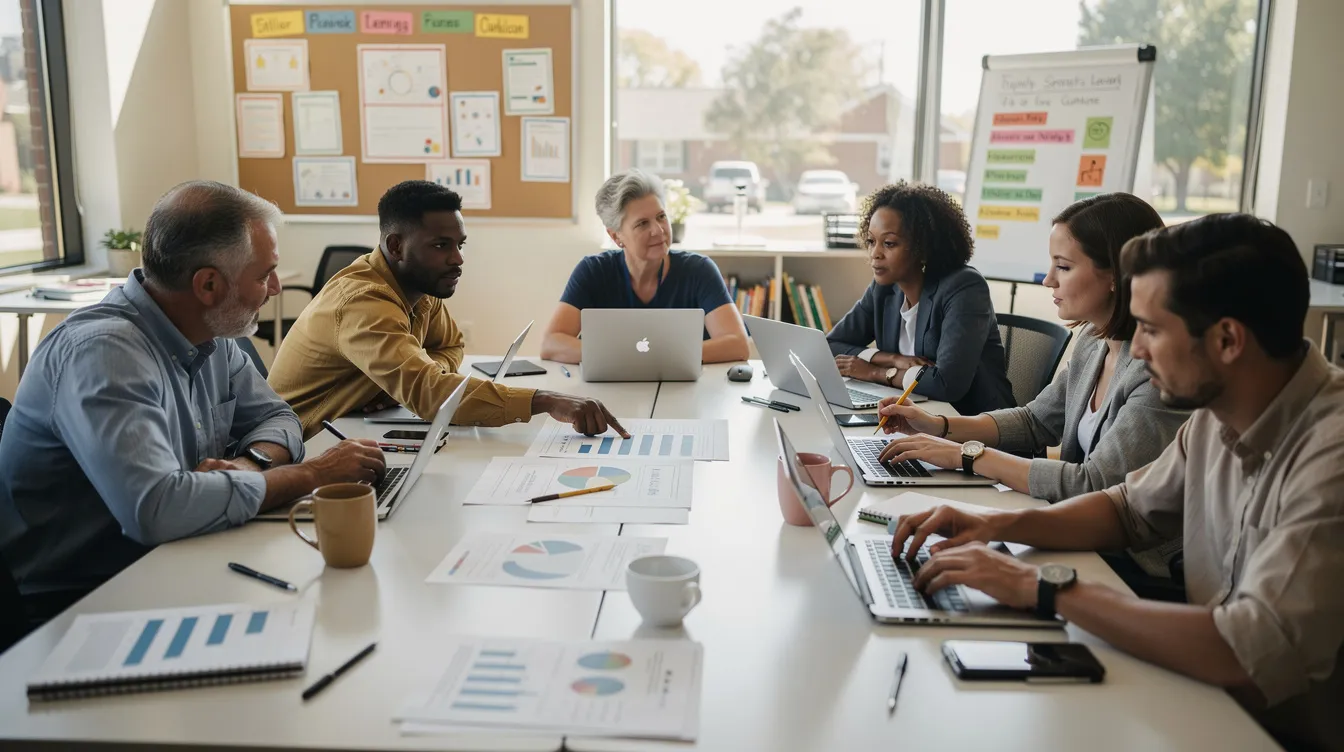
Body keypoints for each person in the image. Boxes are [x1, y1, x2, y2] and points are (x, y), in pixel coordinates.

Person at [889, 214, 1344, 750]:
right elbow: (1128, 508)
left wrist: (1042, 586)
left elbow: (1245, 648)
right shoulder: (1218, 411)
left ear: (1226, 340)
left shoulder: (1329, 452)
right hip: (1199, 695)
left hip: (1274, 733)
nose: (1139, 349)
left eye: (1151, 329)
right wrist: (994, 524)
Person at [0, 181, 384, 631]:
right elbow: (158, 508)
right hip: (81, 607)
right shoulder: (105, 355)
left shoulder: (210, 333)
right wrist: (311, 476)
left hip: (175, 559)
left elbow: (279, 418)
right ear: (208, 284)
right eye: (264, 275)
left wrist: (249, 464)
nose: (276, 288)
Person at [876, 193, 1190, 502]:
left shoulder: (1155, 374)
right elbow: (1035, 421)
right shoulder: (1094, 342)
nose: (1048, 280)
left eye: (1064, 267)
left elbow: (1095, 484)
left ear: (1116, 276)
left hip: (1118, 552)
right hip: (1072, 524)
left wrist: (965, 455)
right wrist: (937, 425)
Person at [269, 181, 628, 440]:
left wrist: (404, 381)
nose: (457, 259)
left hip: (347, 431)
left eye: (460, 245)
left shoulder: (419, 288)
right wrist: (544, 400)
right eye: (441, 245)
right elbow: (432, 395)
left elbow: (451, 346)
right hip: (304, 445)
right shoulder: (363, 302)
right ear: (396, 246)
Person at [827, 182, 1013, 415]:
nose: (875, 253)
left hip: (974, 428)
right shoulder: (884, 289)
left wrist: (875, 372)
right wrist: (892, 359)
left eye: (889, 243)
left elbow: (946, 384)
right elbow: (832, 346)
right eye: (872, 241)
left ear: (922, 247)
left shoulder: (964, 288)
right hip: (915, 421)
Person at [540, 169, 749, 364]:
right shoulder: (593, 272)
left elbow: (738, 344)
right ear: (616, 236)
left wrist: (660, 358)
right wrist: (626, 358)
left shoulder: (699, 270)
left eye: (661, 217)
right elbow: (551, 343)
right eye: (642, 223)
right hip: (612, 391)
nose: (658, 231)